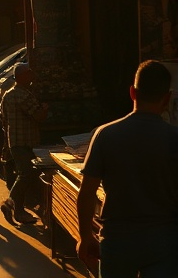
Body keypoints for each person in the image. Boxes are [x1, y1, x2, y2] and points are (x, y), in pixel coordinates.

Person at [76, 60, 178, 277]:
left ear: (132, 92)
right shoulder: (173, 138)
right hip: (164, 242)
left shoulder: (106, 135)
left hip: (117, 242)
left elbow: (86, 194)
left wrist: (85, 237)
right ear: (168, 97)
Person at [0, 62, 48, 224]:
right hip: (26, 142)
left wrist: (6, 144)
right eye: (28, 73)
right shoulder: (23, 95)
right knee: (26, 174)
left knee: (24, 173)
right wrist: (45, 109)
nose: (31, 75)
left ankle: (19, 211)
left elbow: (4, 121)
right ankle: (10, 203)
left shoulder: (7, 95)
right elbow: (39, 116)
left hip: (14, 141)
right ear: (20, 76)